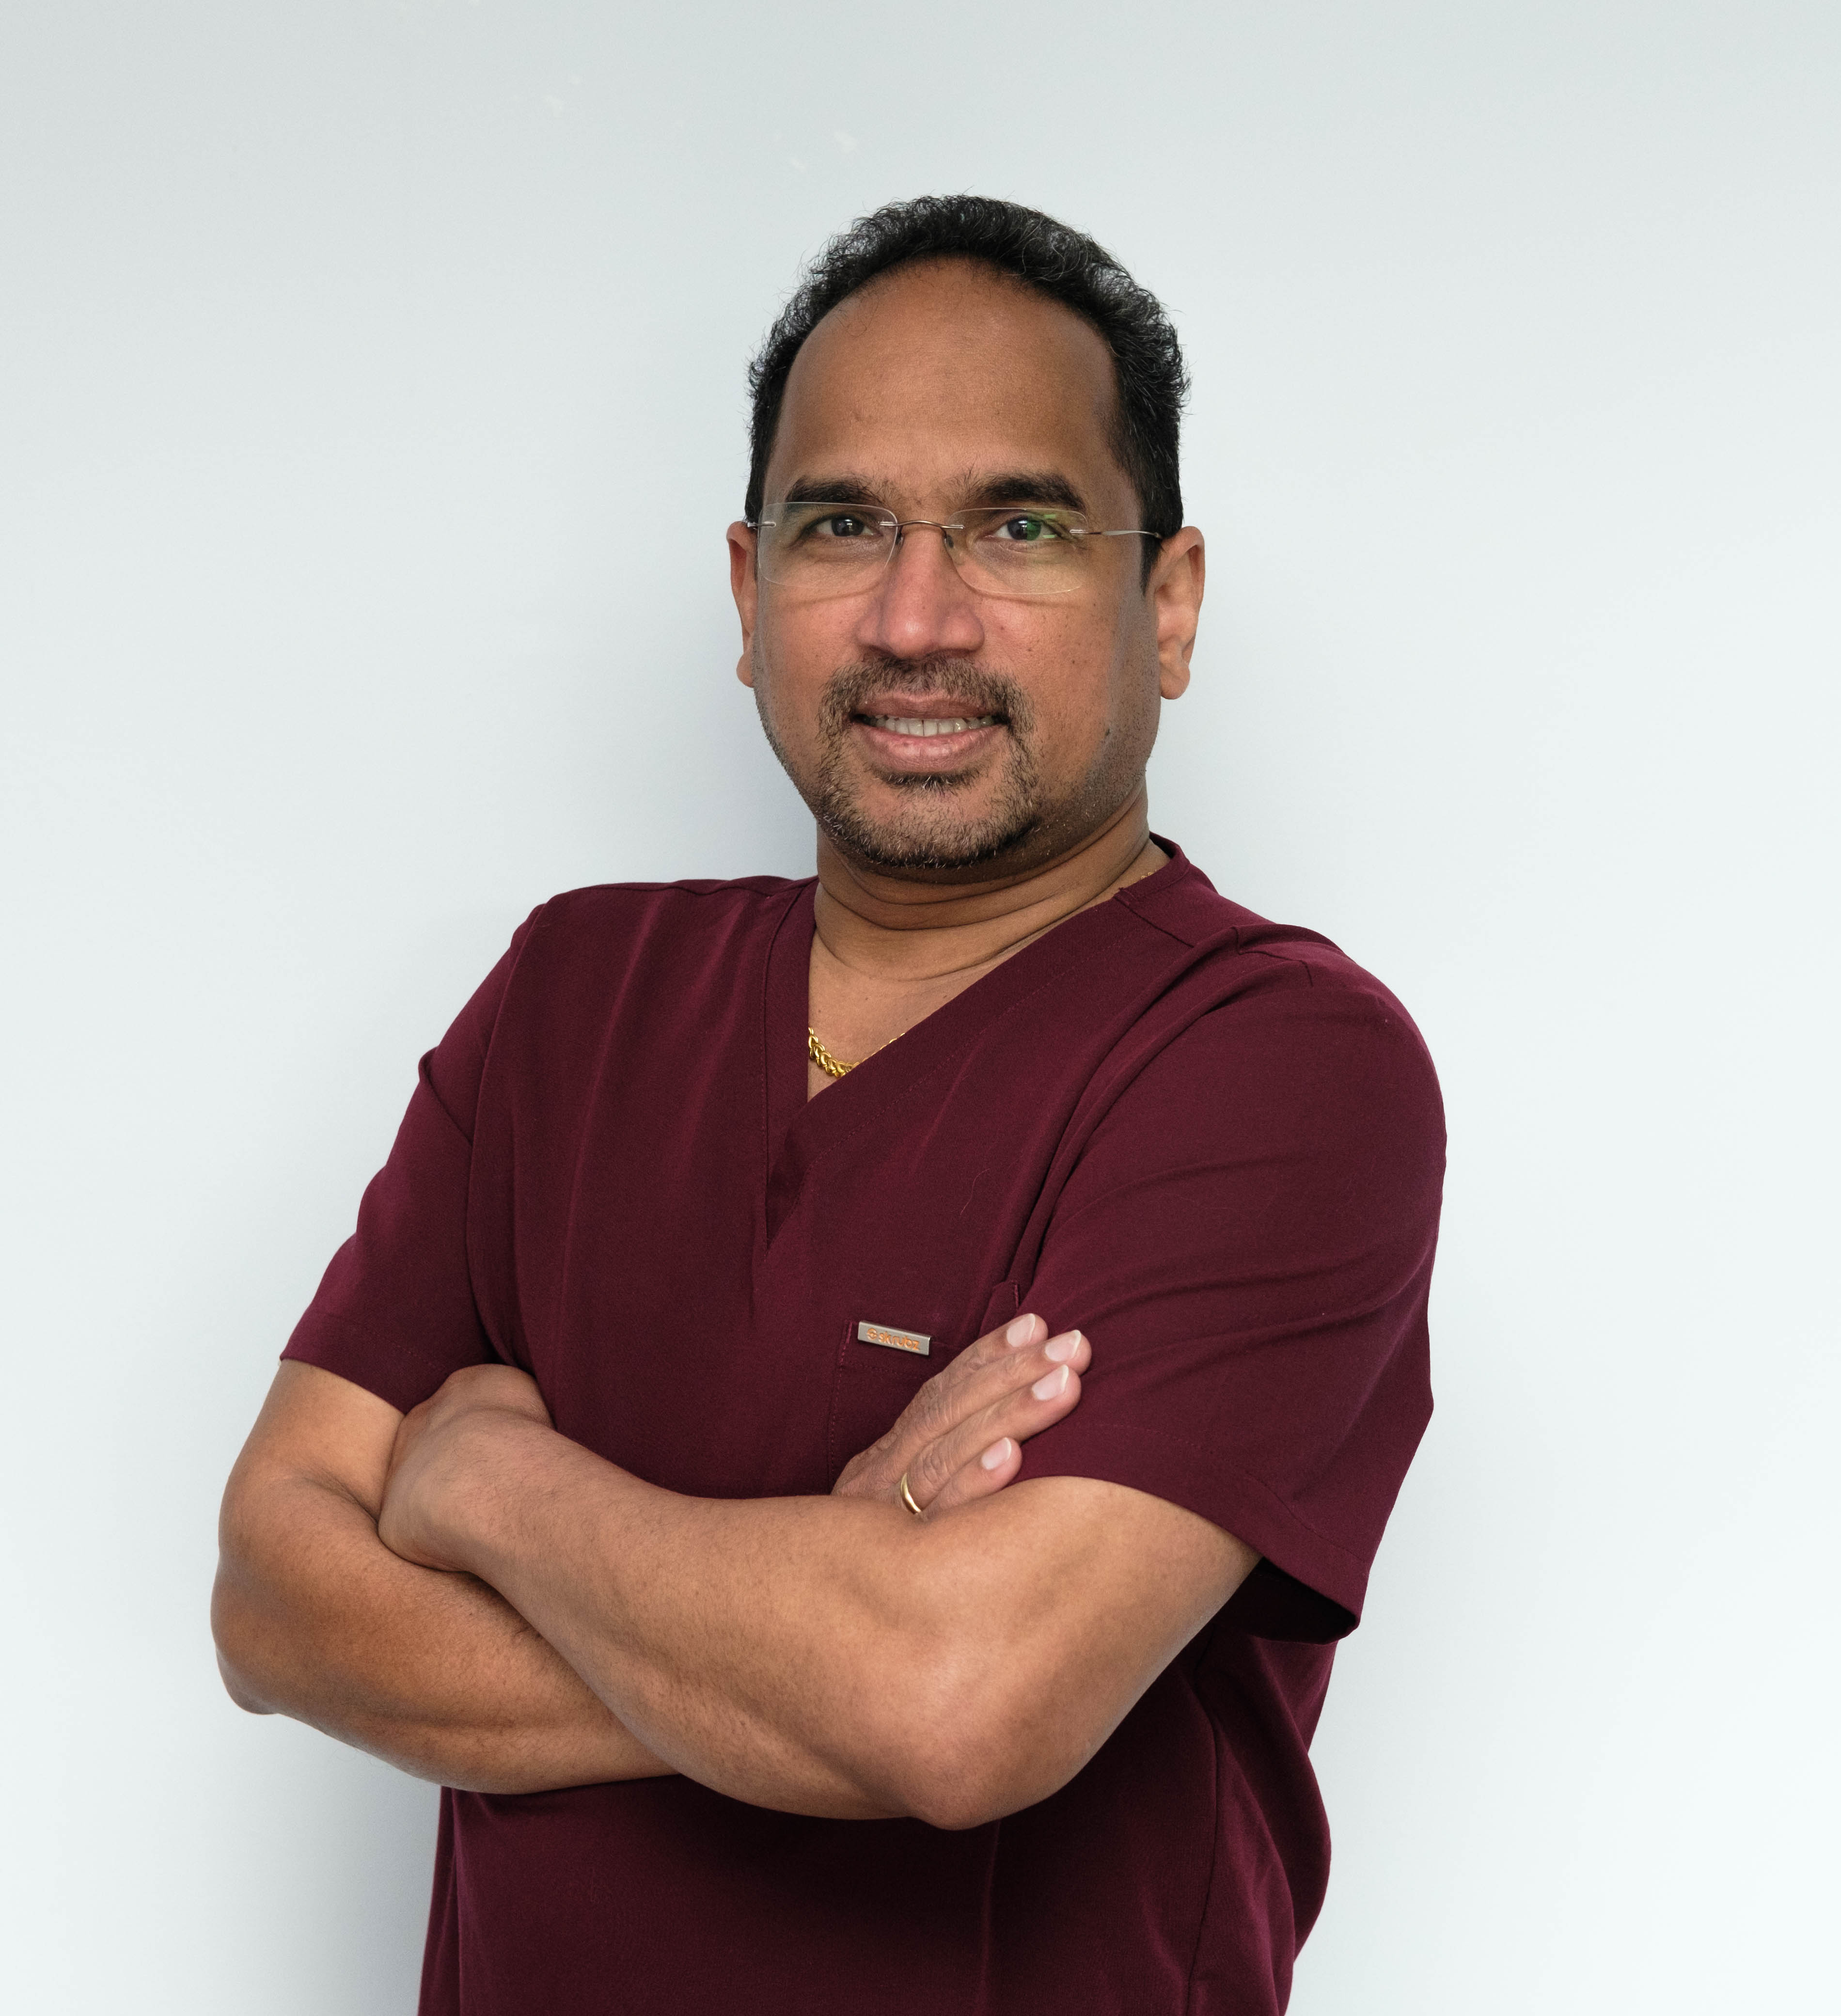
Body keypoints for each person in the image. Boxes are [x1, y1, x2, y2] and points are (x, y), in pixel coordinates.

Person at [212, 194, 1444, 2016]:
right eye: (842, 524)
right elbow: (275, 1595)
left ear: (1166, 605)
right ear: (744, 592)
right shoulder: (574, 996)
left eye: (1018, 525)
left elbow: (953, 1709)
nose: (916, 615)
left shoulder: (1274, 1065)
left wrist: (494, 1483)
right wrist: (822, 1620)